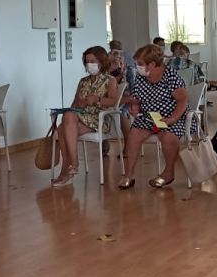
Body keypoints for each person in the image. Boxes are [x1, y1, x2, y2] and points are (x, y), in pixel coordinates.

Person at [118, 43, 189, 189]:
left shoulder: (170, 76)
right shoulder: (141, 77)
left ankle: (168, 173)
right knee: (133, 135)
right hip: (149, 117)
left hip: (173, 116)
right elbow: (137, 98)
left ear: (151, 64)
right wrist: (135, 107)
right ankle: (129, 175)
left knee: (168, 136)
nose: (138, 66)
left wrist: (172, 119)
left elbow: (183, 100)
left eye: (140, 63)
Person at [52, 46, 119, 187]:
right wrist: (80, 103)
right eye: (87, 61)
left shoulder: (110, 80)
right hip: (81, 117)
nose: (89, 64)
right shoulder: (83, 81)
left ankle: (69, 167)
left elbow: (113, 101)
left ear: (101, 61)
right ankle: (72, 166)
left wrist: (98, 99)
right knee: (66, 121)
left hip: (99, 119)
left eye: (92, 61)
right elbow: (74, 104)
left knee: (62, 129)